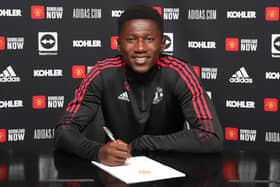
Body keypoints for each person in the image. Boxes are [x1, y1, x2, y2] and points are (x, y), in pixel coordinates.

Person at [54, 5, 223, 166]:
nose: (140, 48)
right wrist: (97, 151)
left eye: (149, 39)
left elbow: (211, 136)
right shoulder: (101, 73)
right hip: (118, 170)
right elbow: (64, 131)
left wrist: (142, 143)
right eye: (131, 39)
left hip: (170, 170)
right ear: (119, 44)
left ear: (163, 43)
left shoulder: (180, 72)